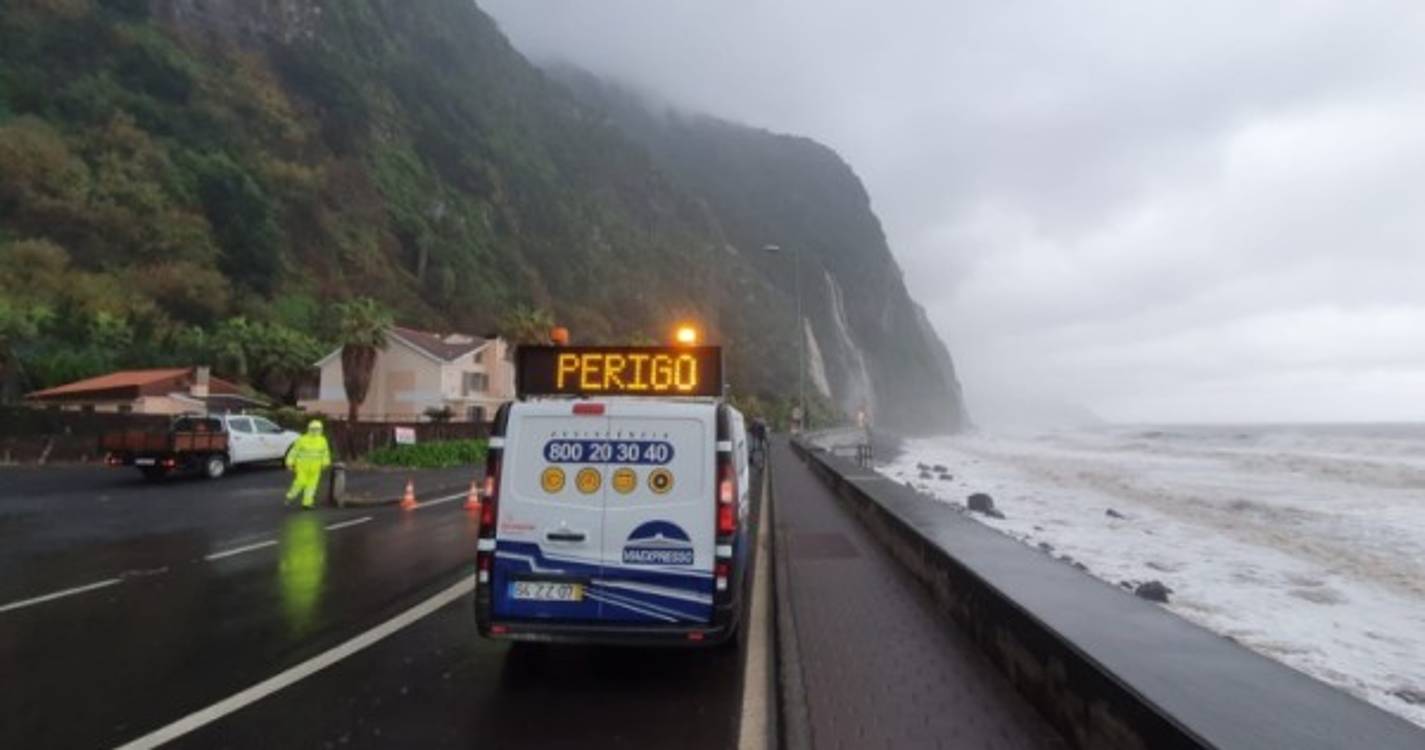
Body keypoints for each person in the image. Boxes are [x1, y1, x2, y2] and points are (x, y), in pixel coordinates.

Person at [285, 420, 332, 510]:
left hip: (316, 467)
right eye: (313, 429)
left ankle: (307, 503)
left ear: (321, 429)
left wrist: (325, 463)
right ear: (309, 429)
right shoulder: (302, 439)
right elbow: (294, 452)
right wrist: (289, 463)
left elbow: (325, 452)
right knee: (300, 482)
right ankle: (290, 496)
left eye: (318, 429)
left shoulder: (322, 440)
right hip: (302, 466)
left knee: (312, 486)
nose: (315, 431)